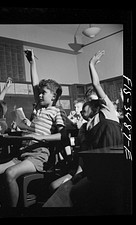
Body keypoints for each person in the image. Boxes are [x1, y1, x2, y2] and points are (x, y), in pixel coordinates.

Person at [43, 50, 124, 214]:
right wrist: (79, 173)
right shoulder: (87, 126)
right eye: (89, 99)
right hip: (96, 170)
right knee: (73, 192)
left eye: (93, 99)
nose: (91, 101)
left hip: (116, 168)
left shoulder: (108, 111)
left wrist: (91, 64)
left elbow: (96, 84)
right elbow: (84, 154)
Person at [0, 49, 68, 207]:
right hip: (25, 152)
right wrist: (32, 63)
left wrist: (41, 137)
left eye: (44, 93)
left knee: (10, 173)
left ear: (54, 96)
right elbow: (35, 85)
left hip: (40, 155)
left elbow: (62, 136)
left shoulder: (56, 111)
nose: (40, 95)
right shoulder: (38, 108)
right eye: (40, 93)